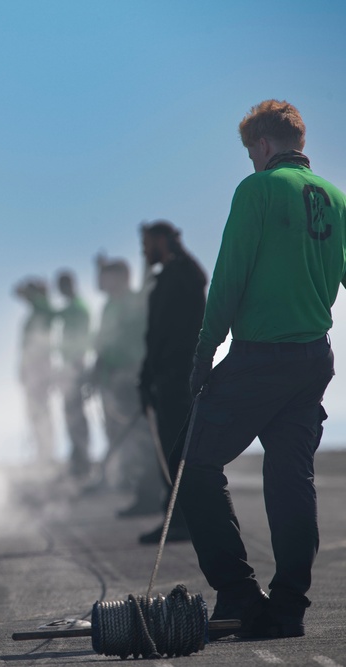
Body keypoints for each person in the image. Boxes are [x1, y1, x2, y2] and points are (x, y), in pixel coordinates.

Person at [177, 100, 346, 639]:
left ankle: (240, 593)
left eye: (251, 151)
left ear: (264, 146)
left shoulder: (257, 190)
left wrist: (204, 354)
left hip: (261, 356)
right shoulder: (338, 198)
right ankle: (289, 607)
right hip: (313, 357)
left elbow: (229, 274)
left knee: (197, 462)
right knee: (290, 478)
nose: (251, 160)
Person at [137, 220, 206, 545]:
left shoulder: (181, 276)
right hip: (167, 377)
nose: (143, 250)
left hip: (178, 378)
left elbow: (173, 334)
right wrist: (146, 376)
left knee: (178, 451)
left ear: (162, 241)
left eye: (147, 243)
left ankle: (182, 520)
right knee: (170, 449)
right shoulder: (171, 277)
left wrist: (160, 373)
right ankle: (177, 516)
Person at [91, 257, 161, 515]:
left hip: (131, 375)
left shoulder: (134, 301)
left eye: (107, 276)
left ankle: (149, 494)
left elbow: (137, 338)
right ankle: (122, 481)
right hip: (111, 377)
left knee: (140, 434)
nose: (101, 282)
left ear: (121, 277)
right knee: (118, 433)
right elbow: (103, 342)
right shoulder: (109, 304)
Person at [13, 278, 56, 465]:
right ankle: (43, 452)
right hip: (33, 369)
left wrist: (36, 291)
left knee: (41, 410)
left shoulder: (42, 310)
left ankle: (46, 453)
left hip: (39, 369)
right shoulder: (36, 313)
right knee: (35, 411)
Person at [54, 270, 91, 478]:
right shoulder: (73, 308)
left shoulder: (77, 308)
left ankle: (82, 462)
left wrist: (76, 366)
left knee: (76, 416)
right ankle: (78, 458)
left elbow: (82, 340)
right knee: (72, 415)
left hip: (75, 367)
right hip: (70, 366)